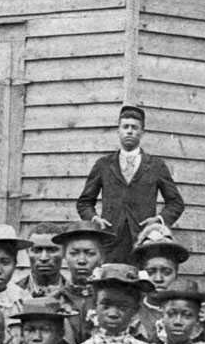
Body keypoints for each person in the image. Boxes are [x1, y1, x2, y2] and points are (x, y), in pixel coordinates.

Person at [75, 103, 186, 264]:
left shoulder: (156, 165)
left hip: (143, 242)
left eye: (134, 127)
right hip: (111, 242)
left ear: (142, 132)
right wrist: (94, 219)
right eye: (125, 126)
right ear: (118, 131)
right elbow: (84, 203)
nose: (129, 131)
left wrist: (158, 221)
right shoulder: (104, 164)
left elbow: (176, 203)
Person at [16, 227, 67, 297]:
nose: (44, 258)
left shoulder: (76, 293)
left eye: (52, 250)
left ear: (64, 252)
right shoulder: (12, 293)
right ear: (27, 252)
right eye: (37, 250)